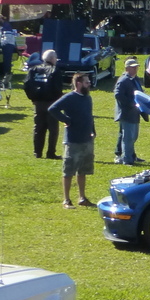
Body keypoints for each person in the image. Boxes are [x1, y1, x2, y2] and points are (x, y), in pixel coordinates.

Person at [49, 72, 96, 208]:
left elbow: (89, 115)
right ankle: (67, 200)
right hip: (73, 140)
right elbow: (53, 109)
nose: (89, 84)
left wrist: (92, 130)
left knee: (83, 170)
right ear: (79, 83)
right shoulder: (69, 97)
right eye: (87, 82)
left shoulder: (87, 98)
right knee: (68, 170)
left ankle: (82, 198)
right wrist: (66, 120)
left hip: (86, 139)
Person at [24, 50, 66, 159]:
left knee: (38, 129)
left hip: (38, 103)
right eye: (56, 58)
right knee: (53, 129)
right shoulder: (55, 70)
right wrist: (59, 101)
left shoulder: (33, 70)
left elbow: (27, 85)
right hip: (52, 103)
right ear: (52, 59)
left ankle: (37, 152)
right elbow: (57, 88)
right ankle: (51, 153)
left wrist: (32, 98)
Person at [113, 58, 145, 163]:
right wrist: (130, 103)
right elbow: (118, 94)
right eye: (133, 67)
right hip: (127, 112)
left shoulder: (134, 79)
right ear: (127, 68)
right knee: (128, 137)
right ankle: (127, 159)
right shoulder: (123, 80)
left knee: (133, 136)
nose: (135, 69)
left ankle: (131, 155)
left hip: (134, 112)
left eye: (136, 67)